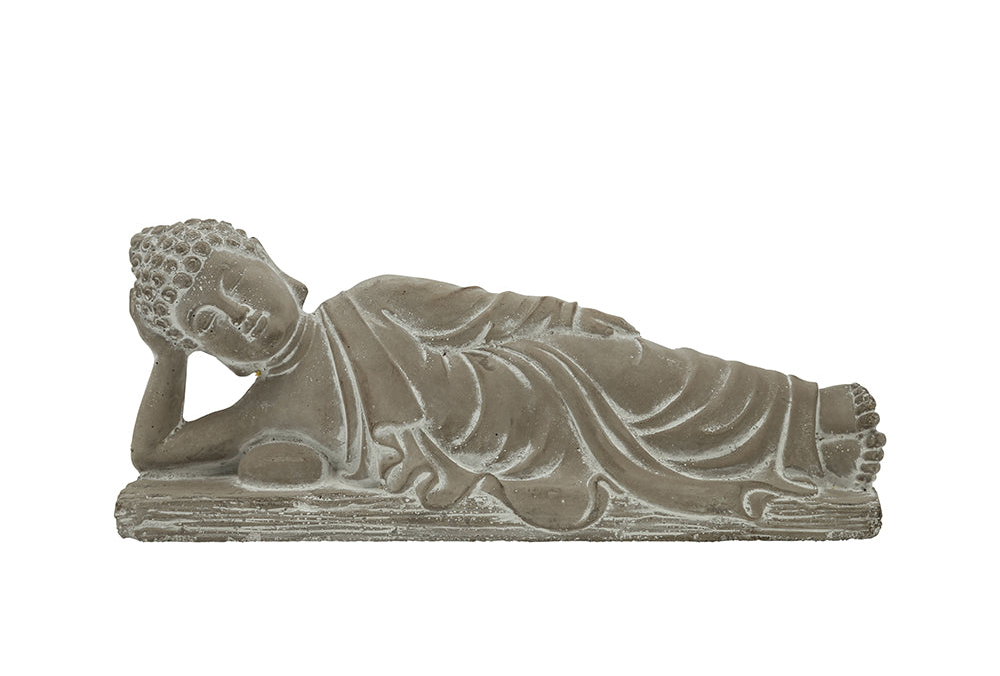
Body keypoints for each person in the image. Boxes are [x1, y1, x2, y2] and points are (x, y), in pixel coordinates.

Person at [129, 218, 885, 531]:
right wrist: (166, 357)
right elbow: (155, 453)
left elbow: (490, 313)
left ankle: (808, 417)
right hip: (496, 465)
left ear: (272, 265)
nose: (239, 317)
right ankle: (807, 460)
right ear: (213, 354)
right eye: (207, 325)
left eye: (235, 284)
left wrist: (576, 317)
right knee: (665, 441)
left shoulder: (371, 301)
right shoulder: (266, 413)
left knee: (655, 373)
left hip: (543, 381)